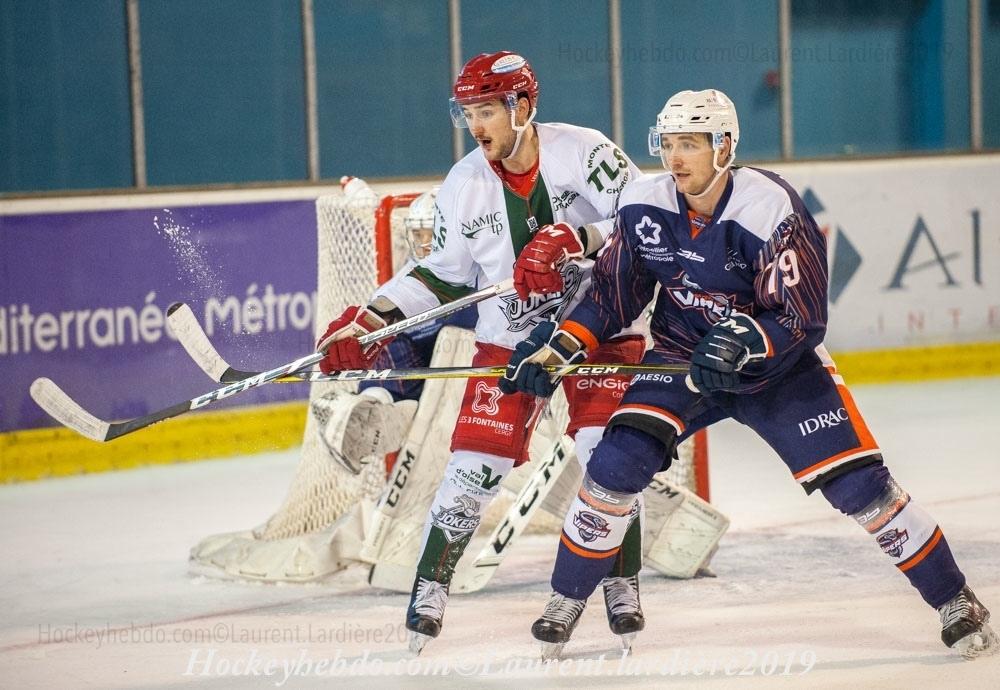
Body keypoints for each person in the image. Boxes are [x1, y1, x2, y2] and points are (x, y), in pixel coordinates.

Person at [501, 88, 998, 659]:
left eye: (690, 144)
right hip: (683, 357)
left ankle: (955, 598)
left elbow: (803, 316)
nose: (675, 157)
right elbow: (614, 295)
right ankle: (565, 599)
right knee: (615, 463)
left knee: (862, 489)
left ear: (724, 147)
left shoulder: (769, 207)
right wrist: (560, 348)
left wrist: (745, 341)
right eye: (668, 143)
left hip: (776, 371)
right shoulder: (643, 203)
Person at [315, 51, 651, 653]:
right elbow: (440, 275)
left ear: (523, 106)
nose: (475, 126)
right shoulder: (464, 182)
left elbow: (647, 219)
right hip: (510, 336)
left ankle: (620, 585)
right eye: (467, 112)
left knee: (607, 457)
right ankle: (429, 590)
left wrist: (580, 239)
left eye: (487, 111)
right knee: (472, 470)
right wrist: (372, 319)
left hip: (600, 324)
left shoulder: (586, 152)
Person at [311, 179, 476, 476]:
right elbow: (383, 314)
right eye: (419, 233)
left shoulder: (485, 262)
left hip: (485, 364)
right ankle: (374, 408)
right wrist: (362, 334)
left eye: (433, 232)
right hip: (433, 378)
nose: (425, 242)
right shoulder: (409, 280)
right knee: (388, 344)